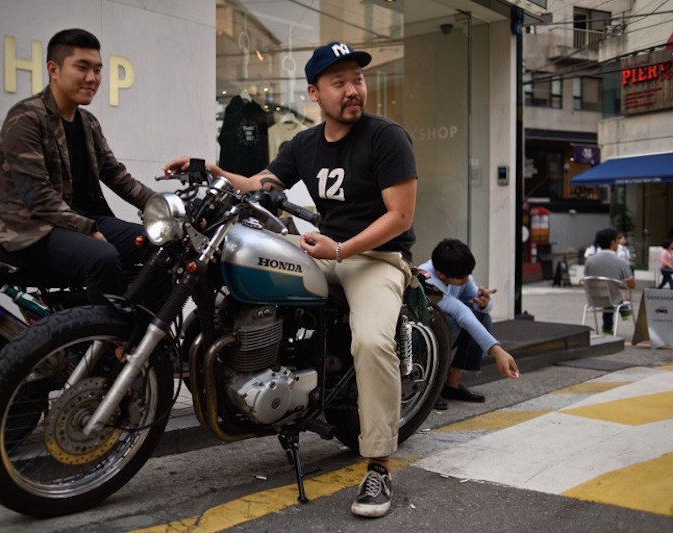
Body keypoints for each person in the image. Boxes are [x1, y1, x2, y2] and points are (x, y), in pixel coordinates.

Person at [166, 41, 518, 518]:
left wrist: (340, 248)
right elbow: (263, 183)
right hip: (324, 247)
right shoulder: (305, 144)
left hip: (375, 258)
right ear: (315, 92)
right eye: (339, 83)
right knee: (238, 256)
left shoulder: (386, 137)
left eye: (357, 80)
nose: (353, 90)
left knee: (372, 343)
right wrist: (212, 171)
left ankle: (378, 466)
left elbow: (399, 216)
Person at [0, 28, 156, 304]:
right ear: (53, 69)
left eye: (98, 70)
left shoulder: (88, 123)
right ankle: (106, 341)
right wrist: (88, 229)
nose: (92, 78)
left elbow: (118, 176)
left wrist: (167, 210)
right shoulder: (26, 118)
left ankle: (140, 337)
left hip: (79, 219)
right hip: (30, 229)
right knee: (102, 257)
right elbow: (38, 196)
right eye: (82, 67)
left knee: (166, 249)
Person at [417, 239, 520, 411]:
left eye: (468, 275)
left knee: (481, 317)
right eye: (462, 277)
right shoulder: (427, 280)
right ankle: (427, 389)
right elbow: (461, 313)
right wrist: (497, 351)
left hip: (442, 333)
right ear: (442, 275)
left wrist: (484, 303)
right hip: (420, 340)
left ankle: (452, 384)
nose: (467, 280)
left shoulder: (459, 273)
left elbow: (479, 308)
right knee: (448, 322)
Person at [583, 228, 635, 333]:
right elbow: (631, 285)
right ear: (612, 243)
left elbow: (588, 279)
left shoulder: (589, 261)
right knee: (614, 298)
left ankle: (607, 330)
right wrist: (617, 284)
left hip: (593, 299)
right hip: (613, 299)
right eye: (617, 241)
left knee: (609, 297)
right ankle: (626, 313)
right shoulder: (621, 262)